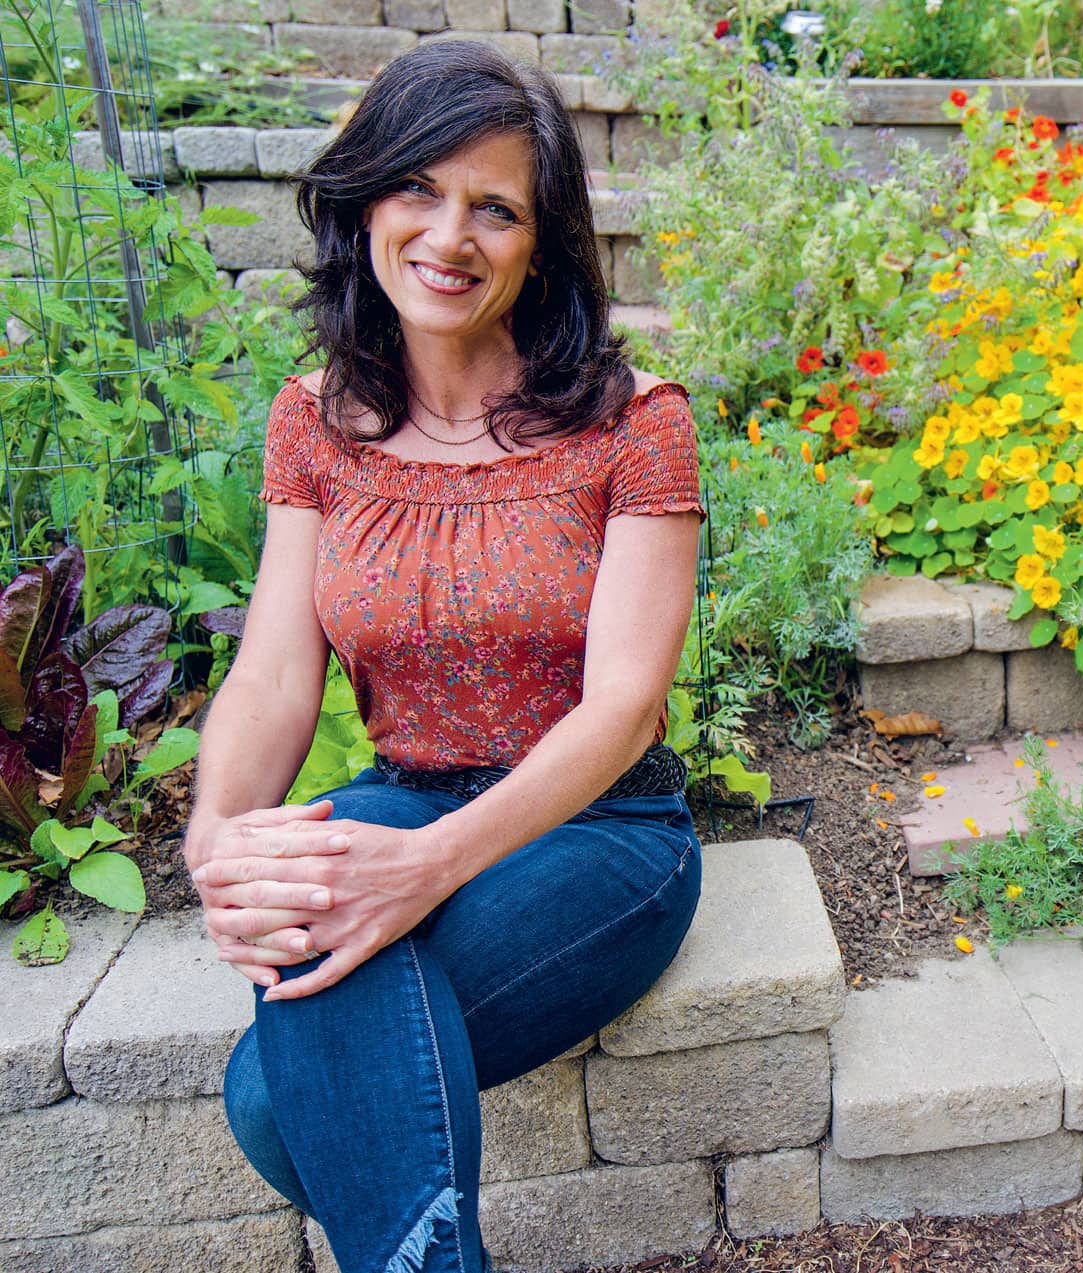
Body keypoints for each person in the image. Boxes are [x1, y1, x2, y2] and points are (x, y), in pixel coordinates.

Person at [185, 41, 705, 1273]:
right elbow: (269, 677)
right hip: (401, 795)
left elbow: (624, 708)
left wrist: (423, 868)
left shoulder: (634, 424)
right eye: (418, 187)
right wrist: (215, 835)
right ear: (367, 200)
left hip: (596, 832)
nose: (448, 234)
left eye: (496, 206)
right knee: (297, 901)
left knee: (275, 1101)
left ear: (542, 241)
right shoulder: (315, 421)